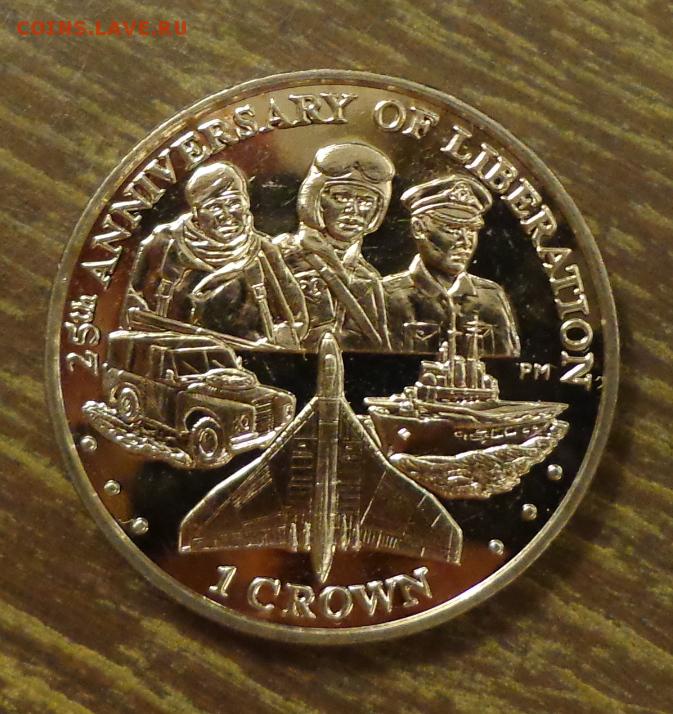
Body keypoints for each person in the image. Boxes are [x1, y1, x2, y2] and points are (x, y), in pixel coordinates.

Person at [123, 161, 307, 348]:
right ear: (196, 213)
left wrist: (281, 339)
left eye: (234, 203)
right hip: (174, 354)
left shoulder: (262, 251)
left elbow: (295, 315)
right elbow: (127, 296)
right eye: (215, 207)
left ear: (246, 204)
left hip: (248, 356)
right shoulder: (165, 243)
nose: (227, 214)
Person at [274, 142, 395, 351]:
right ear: (315, 199)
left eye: (366, 201)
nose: (353, 210)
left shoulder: (368, 279)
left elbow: (380, 350)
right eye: (341, 197)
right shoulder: (279, 256)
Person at [383, 174, 520, 356]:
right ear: (419, 228)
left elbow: (508, 363)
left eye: (471, 230)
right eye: (452, 229)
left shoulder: (492, 297)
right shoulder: (386, 296)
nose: (465, 242)